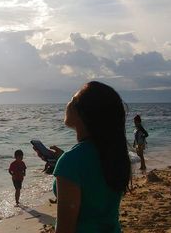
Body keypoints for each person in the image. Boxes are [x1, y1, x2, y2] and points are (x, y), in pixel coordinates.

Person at [38, 81, 131, 232]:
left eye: (73, 100)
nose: (68, 103)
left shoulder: (71, 162)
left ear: (84, 113)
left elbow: (65, 230)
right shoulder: (113, 152)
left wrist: (65, 163)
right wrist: (60, 161)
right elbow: (93, 183)